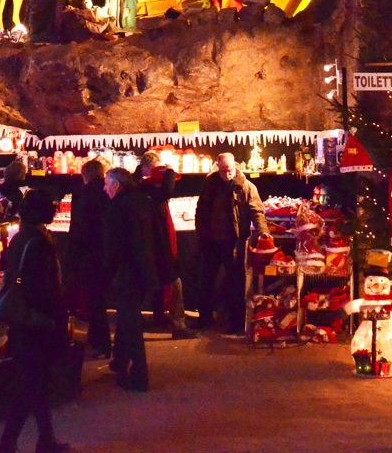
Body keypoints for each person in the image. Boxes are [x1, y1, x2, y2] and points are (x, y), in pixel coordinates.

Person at [0, 189, 69, 453]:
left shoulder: (21, 239)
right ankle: (7, 444)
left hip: (24, 320)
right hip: (37, 322)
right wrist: (55, 316)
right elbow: (42, 288)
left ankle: (45, 439)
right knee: (32, 385)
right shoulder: (39, 242)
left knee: (36, 384)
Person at [194, 152, 270, 334]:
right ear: (217, 168)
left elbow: (257, 212)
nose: (225, 174)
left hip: (233, 242)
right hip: (211, 240)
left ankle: (236, 322)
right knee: (206, 281)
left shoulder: (246, 187)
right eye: (221, 171)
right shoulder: (209, 183)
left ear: (234, 166)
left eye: (228, 170)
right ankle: (205, 318)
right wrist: (201, 233)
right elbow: (201, 208)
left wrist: (264, 232)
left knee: (235, 283)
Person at [103, 167, 158, 391]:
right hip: (144, 270)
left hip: (127, 272)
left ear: (116, 184)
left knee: (130, 322)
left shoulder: (117, 208)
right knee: (127, 320)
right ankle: (121, 362)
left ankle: (139, 374)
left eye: (107, 183)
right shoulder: (143, 202)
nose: (104, 188)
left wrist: (107, 270)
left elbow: (114, 246)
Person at [135, 152, 197, 340]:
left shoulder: (140, 187)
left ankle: (154, 316)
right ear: (148, 168)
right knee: (172, 282)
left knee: (149, 284)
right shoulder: (146, 189)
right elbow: (166, 192)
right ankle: (178, 325)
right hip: (156, 245)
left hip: (149, 245)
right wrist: (170, 172)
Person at [66, 158, 112, 358]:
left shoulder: (83, 195)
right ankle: (96, 339)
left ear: (85, 175)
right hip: (107, 253)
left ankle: (102, 345)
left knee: (95, 301)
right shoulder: (109, 193)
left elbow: (79, 229)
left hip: (89, 255)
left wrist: (73, 258)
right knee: (99, 300)